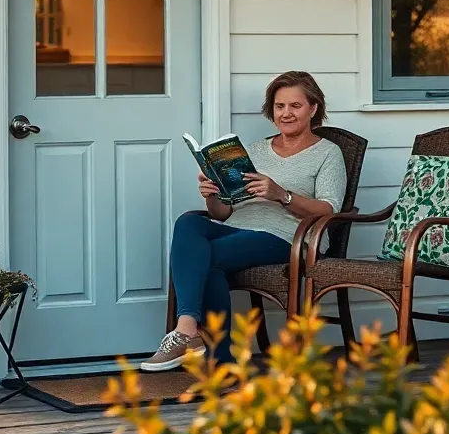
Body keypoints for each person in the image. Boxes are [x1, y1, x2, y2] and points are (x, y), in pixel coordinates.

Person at [141, 71, 347, 372]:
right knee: (188, 223)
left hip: (287, 236)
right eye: (279, 106)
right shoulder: (254, 151)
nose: (286, 113)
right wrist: (211, 196)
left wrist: (281, 194)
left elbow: (329, 209)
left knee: (206, 259)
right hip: (236, 228)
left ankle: (204, 347)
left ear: (313, 109)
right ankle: (192, 333)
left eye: (295, 106)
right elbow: (223, 214)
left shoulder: (328, 153)